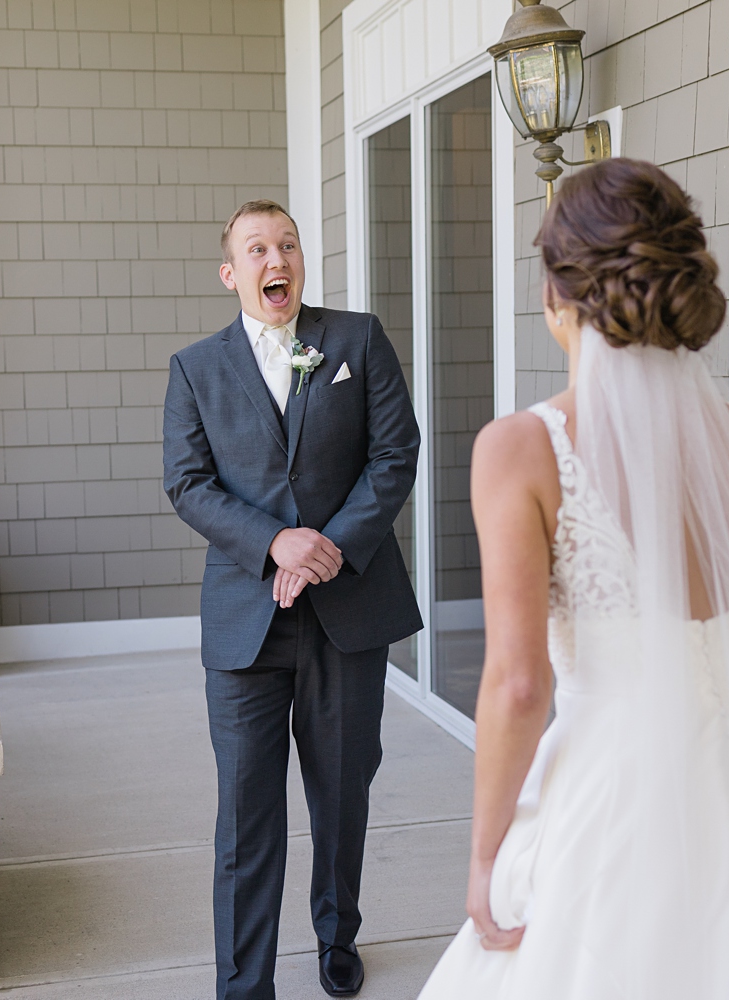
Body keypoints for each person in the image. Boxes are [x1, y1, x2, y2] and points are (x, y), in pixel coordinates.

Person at [418, 160, 729, 999]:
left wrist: (487, 855)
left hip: (611, 809)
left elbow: (519, 685)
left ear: (557, 292)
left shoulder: (520, 448)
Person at [163, 199, 422, 1000]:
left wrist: (323, 550)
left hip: (348, 612)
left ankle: (337, 935)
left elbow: (395, 453)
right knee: (245, 818)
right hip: (247, 625)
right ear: (231, 273)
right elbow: (188, 484)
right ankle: (244, 985)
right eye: (257, 249)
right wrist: (275, 543)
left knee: (342, 794)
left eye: (287, 244)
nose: (276, 259)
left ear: (300, 258)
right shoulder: (195, 369)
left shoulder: (354, 340)